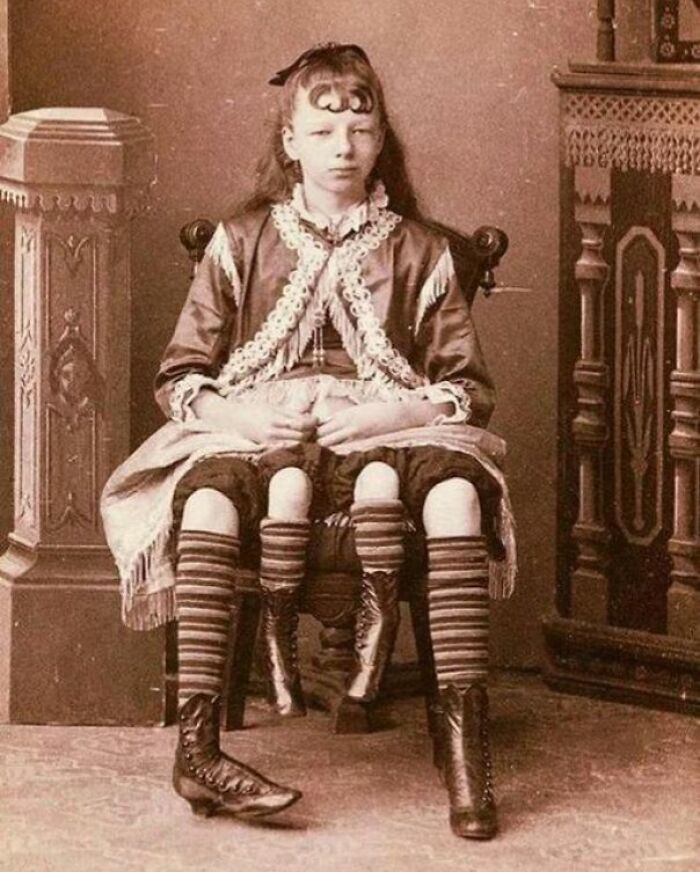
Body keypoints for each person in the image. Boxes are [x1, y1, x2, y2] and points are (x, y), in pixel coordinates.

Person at [101, 42, 516, 840]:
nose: (344, 147)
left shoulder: (419, 249)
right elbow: (181, 376)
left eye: (360, 128)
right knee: (212, 504)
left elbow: (468, 387)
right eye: (322, 131)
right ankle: (198, 749)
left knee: (460, 489)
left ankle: (468, 748)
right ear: (289, 141)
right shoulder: (241, 242)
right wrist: (246, 418)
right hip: (266, 434)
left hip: (388, 430)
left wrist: (386, 416)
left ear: (380, 137)